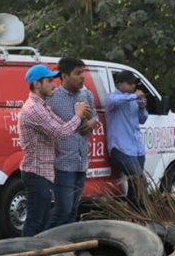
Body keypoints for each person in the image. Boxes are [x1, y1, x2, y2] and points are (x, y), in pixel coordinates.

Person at [18, 64, 88, 236]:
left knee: (41, 221)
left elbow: (61, 126)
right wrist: (78, 115)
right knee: (35, 222)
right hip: (36, 172)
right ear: (37, 84)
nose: (54, 84)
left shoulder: (42, 106)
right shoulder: (33, 109)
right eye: (49, 81)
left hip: (44, 172)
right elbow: (61, 132)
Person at [48, 56, 96, 226]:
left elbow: (95, 117)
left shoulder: (86, 94)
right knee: (63, 209)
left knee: (73, 210)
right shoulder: (52, 98)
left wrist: (91, 123)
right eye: (77, 73)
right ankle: (43, 244)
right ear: (65, 76)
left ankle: (65, 246)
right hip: (63, 163)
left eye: (83, 73)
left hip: (81, 161)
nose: (83, 77)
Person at [106, 70, 149, 205]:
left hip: (136, 148)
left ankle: (132, 214)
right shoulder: (113, 98)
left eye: (134, 84)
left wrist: (142, 107)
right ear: (119, 84)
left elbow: (142, 119)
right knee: (139, 180)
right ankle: (139, 211)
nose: (133, 86)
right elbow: (115, 101)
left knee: (134, 184)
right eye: (129, 83)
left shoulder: (133, 100)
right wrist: (133, 97)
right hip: (120, 147)